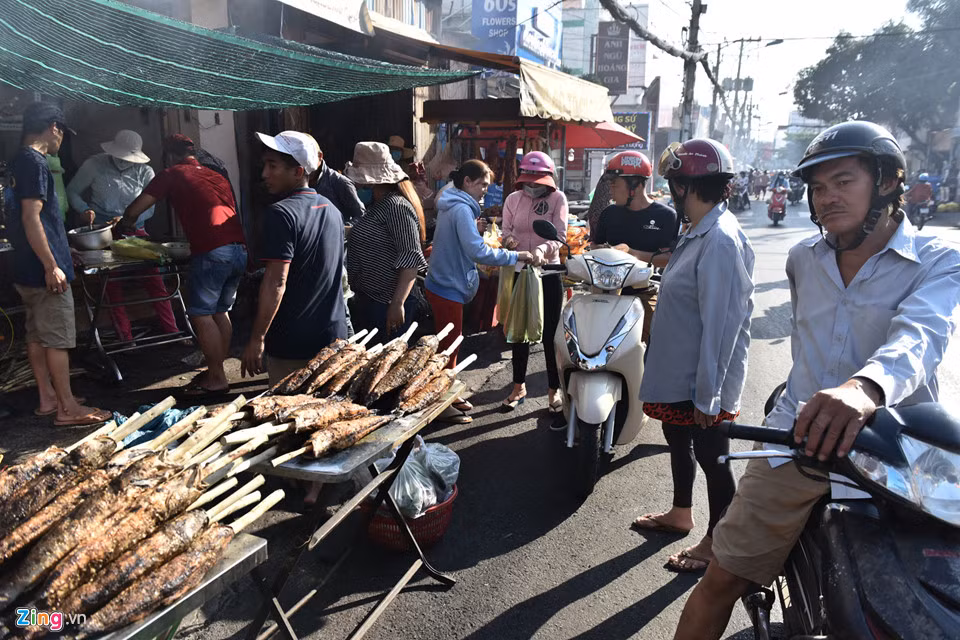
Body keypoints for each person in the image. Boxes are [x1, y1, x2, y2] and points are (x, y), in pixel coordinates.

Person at [673, 122, 960, 640]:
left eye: (843, 182)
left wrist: (863, 388)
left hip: (896, 458)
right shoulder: (803, 258)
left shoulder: (939, 261)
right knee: (718, 584)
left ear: (888, 182)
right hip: (797, 442)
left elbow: (921, 336)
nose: (827, 199)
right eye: (819, 187)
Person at [633, 138, 755, 574]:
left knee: (712, 457)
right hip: (680, 371)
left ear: (686, 185)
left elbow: (722, 327)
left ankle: (716, 544)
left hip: (702, 380)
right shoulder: (698, 229)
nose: (670, 192)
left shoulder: (719, 240)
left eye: (673, 184)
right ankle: (681, 513)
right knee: (676, 439)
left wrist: (709, 395)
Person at [120, 134, 247, 396]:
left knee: (201, 313)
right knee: (220, 311)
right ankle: (217, 371)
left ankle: (216, 377)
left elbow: (136, 209)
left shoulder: (172, 173)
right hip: (239, 249)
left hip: (213, 251)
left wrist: (124, 226)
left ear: (168, 155)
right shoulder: (216, 175)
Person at [9, 103, 110, 426]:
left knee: (37, 334)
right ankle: (68, 408)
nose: (61, 141)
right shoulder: (36, 162)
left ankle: (47, 397)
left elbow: (35, 219)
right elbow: (31, 217)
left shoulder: (18, 160)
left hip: (25, 266)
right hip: (43, 269)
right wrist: (52, 264)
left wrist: (62, 246)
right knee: (57, 338)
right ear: (54, 127)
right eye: (63, 133)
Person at [425, 160, 535, 423]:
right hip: (446, 286)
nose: (485, 190)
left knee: (450, 345)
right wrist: (515, 255)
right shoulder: (461, 209)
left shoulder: (454, 205)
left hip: (444, 283)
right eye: (482, 184)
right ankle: (441, 404)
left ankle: (449, 392)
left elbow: (461, 242)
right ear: (467, 182)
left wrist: (474, 231)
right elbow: (477, 251)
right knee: (449, 348)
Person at [239, 131, 348, 385]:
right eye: (264, 165)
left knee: (291, 417)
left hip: (293, 344)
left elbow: (276, 282)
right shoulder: (331, 210)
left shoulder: (280, 214)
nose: (264, 174)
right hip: (333, 337)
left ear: (298, 172)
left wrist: (257, 338)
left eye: (272, 165)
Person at [68, 130, 178, 344]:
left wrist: (127, 219)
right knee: (112, 284)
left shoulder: (145, 171)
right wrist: (83, 209)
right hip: (103, 234)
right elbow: (72, 191)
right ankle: (126, 337)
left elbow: (150, 207)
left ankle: (172, 330)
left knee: (154, 280)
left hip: (135, 231)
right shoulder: (94, 165)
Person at [501, 151, 566, 412]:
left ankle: (554, 390)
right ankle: (518, 386)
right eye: (530, 181)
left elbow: (560, 236)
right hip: (520, 271)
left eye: (539, 181)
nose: (533, 186)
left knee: (550, 334)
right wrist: (509, 243)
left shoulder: (558, 199)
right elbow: (506, 231)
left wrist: (542, 251)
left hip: (548, 273)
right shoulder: (513, 199)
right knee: (519, 333)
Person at [591, 150, 679, 344]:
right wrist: (599, 250)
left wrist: (631, 253)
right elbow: (594, 244)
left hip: (644, 293)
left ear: (636, 185)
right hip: (605, 292)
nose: (611, 190)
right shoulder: (609, 214)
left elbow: (670, 257)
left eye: (615, 184)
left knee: (650, 346)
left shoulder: (666, 216)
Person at [345, 142, 427, 339]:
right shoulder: (378, 206)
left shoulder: (396, 206)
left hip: (388, 303)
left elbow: (411, 259)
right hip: (371, 300)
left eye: (362, 182)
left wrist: (397, 304)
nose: (359, 186)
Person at [307, 136, 365, 223]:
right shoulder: (294, 180)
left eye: (307, 159)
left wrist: (340, 229)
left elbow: (360, 216)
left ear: (319, 156)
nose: (304, 165)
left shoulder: (340, 182)